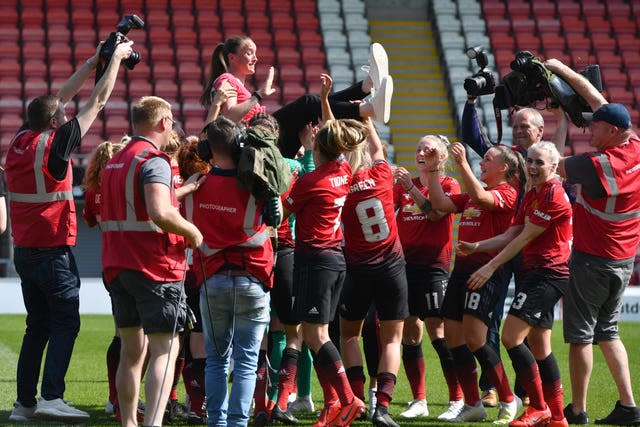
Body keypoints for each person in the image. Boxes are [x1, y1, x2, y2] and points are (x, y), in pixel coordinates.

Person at [6, 39, 134, 423]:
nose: (65, 118)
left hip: (24, 251)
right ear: (53, 123)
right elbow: (97, 101)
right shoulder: (55, 143)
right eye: (60, 117)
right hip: (52, 249)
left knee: (37, 326)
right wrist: (117, 62)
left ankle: (24, 404)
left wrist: (95, 60)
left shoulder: (19, 141)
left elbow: (58, 100)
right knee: (66, 321)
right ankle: (52, 396)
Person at [544, 57, 640, 426]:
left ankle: (578, 410)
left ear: (614, 132)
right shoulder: (632, 148)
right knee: (609, 332)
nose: (591, 130)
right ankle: (629, 406)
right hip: (623, 259)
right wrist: (561, 70)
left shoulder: (599, 165)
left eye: (596, 127)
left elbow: (548, 166)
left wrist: (560, 122)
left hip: (592, 259)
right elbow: (597, 99)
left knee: (580, 337)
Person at [100, 95, 203, 427]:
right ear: (163, 122)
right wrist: (192, 231)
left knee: (131, 352)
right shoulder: (153, 159)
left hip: (118, 264)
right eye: (170, 120)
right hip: (154, 266)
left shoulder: (115, 161)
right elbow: (159, 212)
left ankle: (129, 421)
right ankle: (153, 424)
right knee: (166, 348)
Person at [462, 99, 569, 407]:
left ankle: (534, 401)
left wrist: (489, 264)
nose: (533, 167)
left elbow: (523, 236)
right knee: (523, 334)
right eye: (529, 163)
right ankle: (539, 406)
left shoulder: (552, 189)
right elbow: (513, 232)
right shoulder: (527, 188)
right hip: (528, 261)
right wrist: (479, 247)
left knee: (522, 335)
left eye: (539, 163)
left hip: (544, 268)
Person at [281, 102, 368, 426]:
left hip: (315, 260)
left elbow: (281, 213)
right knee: (316, 333)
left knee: (316, 334)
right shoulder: (342, 171)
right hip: (335, 258)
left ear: (317, 146)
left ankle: (348, 400)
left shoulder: (310, 181)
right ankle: (332, 403)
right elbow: (341, 145)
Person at [426, 141, 525, 423]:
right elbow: (440, 204)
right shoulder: (473, 193)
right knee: (454, 339)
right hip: (461, 270)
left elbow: (482, 199)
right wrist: (434, 169)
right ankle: (473, 405)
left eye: (488, 160)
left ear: (504, 168)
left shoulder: (507, 192)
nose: (482, 163)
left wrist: (463, 164)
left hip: (487, 271)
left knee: (475, 338)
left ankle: (508, 397)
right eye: (480, 160)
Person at [183, 116, 273, 427]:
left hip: (213, 281)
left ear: (207, 148)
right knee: (247, 363)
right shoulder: (256, 185)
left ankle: (216, 423)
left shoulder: (195, 186)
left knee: (216, 361)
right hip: (252, 279)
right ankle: (238, 423)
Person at [200, 36, 393, 158]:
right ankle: (366, 106)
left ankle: (366, 87)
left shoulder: (239, 85)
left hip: (266, 140)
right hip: (257, 143)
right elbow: (230, 116)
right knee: (309, 103)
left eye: (255, 53)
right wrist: (258, 95)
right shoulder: (225, 79)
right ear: (232, 57)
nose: (255, 58)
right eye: (249, 53)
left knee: (318, 104)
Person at [339, 111, 409, 427]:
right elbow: (379, 150)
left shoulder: (341, 183)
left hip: (356, 268)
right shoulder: (382, 174)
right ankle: (382, 407)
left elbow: (337, 141)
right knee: (393, 339)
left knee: (349, 336)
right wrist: (368, 120)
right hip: (392, 266)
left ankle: (354, 400)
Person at [392, 135, 464, 421]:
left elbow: (435, 214)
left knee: (438, 330)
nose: (421, 152)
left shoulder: (448, 185)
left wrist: (411, 186)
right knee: (410, 331)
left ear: (441, 156)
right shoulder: (403, 184)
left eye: (428, 148)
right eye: (418, 147)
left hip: (434, 265)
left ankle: (457, 399)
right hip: (404, 264)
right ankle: (419, 399)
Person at [81, 138, 130, 420]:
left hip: (109, 265)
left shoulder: (93, 191)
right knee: (141, 339)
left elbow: (89, 219)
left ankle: (115, 398)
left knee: (120, 334)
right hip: (135, 264)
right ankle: (124, 398)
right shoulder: (123, 185)